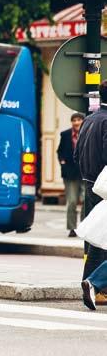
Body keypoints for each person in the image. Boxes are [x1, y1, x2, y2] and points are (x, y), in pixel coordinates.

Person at [77, 81, 107, 308]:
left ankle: (91, 284)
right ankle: (98, 287)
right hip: (104, 186)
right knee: (102, 239)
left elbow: (77, 153)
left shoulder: (89, 119)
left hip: (89, 183)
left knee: (95, 238)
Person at [58, 112, 86, 237]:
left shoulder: (87, 133)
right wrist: (63, 163)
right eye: (74, 120)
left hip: (86, 172)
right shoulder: (65, 135)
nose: (76, 122)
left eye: (79, 119)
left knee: (86, 201)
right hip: (70, 174)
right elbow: (60, 151)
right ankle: (72, 228)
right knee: (72, 201)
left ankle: (85, 227)